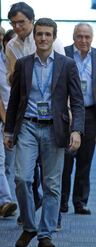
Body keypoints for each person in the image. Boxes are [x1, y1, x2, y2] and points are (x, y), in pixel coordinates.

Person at [4, 18, 84, 247]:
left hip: (54, 128)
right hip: (28, 126)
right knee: (22, 179)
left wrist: (77, 129)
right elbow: (15, 101)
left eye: (48, 34)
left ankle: (45, 233)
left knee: (51, 185)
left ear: (54, 37)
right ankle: (30, 226)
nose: (43, 38)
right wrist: (9, 130)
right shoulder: (23, 64)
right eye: (39, 34)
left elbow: (77, 102)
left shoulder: (67, 65)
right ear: (34, 36)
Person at [6, 2, 66, 225]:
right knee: (24, 176)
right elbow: (13, 83)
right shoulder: (11, 45)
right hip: (28, 117)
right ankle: (30, 217)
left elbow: (63, 76)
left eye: (22, 22)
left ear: (31, 21)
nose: (18, 26)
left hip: (52, 117)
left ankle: (52, 220)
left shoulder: (50, 39)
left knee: (51, 177)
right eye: (14, 23)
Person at [60, 23, 96, 215]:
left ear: (92, 37)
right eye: (80, 36)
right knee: (65, 158)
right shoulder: (63, 54)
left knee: (85, 159)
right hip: (67, 112)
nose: (83, 40)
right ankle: (62, 200)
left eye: (87, 37)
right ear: (73, 37)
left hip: (90, 113)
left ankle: (80, 201)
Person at [0, 27, 17, 218]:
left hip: (18, 121)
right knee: (1, 161)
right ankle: (5, 200)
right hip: (3, 119)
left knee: (9, 166)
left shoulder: (22, 63)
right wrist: (6, 121)